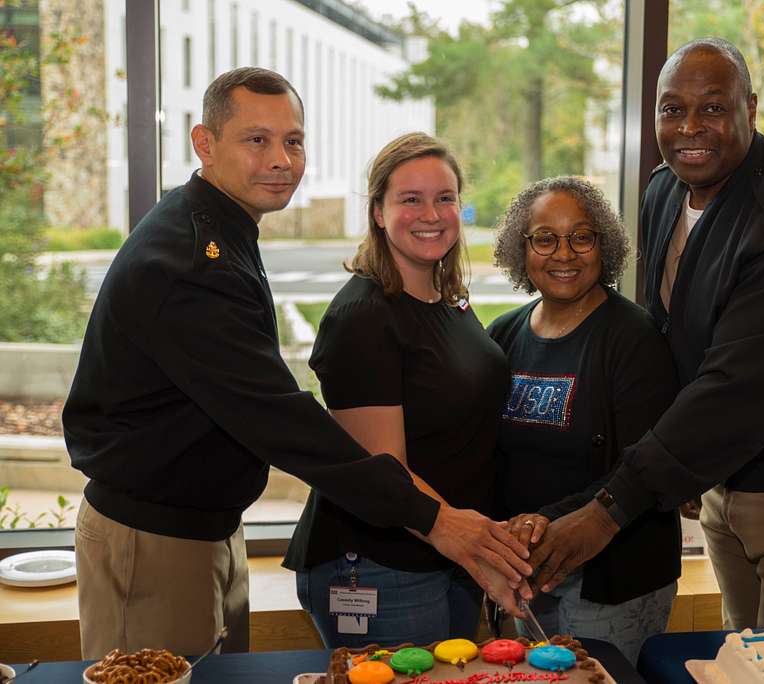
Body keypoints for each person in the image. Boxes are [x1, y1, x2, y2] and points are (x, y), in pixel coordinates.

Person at [62, 69, 530, 659]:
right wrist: (438, 521)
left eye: (293, 140)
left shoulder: (222, 229)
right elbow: (281, 420)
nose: (281, 159)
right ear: (205, 144)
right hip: (154, 536)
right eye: (256, 140)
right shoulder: (188, 258)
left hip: (203, 527)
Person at [526, 38, 764, 631]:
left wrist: (608, 509)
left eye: (713, 107)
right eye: (672, 109)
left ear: (750, 109)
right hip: (727, 475)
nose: (690, 128)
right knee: (744, 653)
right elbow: (668, 334)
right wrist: (677, 470)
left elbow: (737, 389)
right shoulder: (663, 189)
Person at [283, 132, 514, 648]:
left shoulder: (444, 297)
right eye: (410, 199)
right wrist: (476, 548)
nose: (430, 213)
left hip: (447, 555)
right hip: (380, 567)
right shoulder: (364, 318)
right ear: (379, 213)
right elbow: (383, 473)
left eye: (445, 198)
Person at [487, 177, 681, 664]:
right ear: (522, 249)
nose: (564, 254)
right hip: (526, 573)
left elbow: (639, 468)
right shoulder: (503, 335)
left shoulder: (634, 339)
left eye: (581, 236)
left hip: (612, 577)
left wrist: (543, 521)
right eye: (545, 238)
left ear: (604, 245)